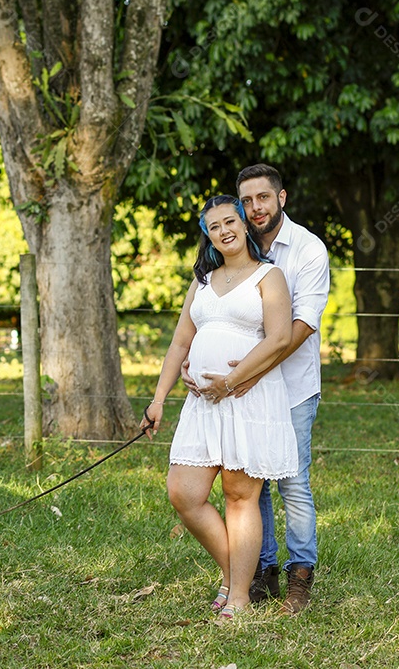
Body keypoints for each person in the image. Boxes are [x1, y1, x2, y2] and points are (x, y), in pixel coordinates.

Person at [141, 194, 299, 620]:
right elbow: (180, 342)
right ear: (208, 235)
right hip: (201, 404)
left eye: (230, 221)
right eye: (214, 226)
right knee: (184, 492)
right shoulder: (204, 280)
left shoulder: (270, 276)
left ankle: (240, 597)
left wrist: (230, 380)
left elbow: (279, 339)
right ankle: (235, 575)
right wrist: (159, 399)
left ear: (246, 224)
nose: (224, 230)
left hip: (248, 397)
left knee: (238, 496)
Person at [184, 164, 330, 615]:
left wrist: (247, 374)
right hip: (236, 393)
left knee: (293, 482)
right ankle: (258, 571)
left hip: (290, 386)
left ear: (281, 198)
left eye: (262, 198)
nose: (254, 208)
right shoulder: (233, 251)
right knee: (249, 483)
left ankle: (299, 574)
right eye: (245, 201)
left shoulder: (307, 250)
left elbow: (298, 328)